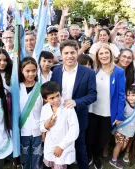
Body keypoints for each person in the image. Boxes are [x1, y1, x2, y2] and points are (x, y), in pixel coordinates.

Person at [51, 40, 97, 169]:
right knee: (61, 145)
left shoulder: (88, 72)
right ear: (61, 55)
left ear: (78, 52)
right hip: (59, 116)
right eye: (66, 53)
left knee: (80, 146)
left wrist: (76, 102)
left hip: (78, 115)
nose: (69, 56)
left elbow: (93, 95)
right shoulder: (55, 71)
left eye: (72, 52)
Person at [86, 44, 125, 169]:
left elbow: (121, 95)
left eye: (106, 53)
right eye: (101, 54)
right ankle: (88, 155)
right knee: (90, 135)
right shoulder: (94, 69)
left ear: (111, 54)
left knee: (102, 138)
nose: (104, 56)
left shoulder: (118, 72)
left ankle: (96, 156)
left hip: (108, 112)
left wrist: (119, 115)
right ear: (97, 56)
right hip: (92, 110)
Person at [40, 81, 79, 169]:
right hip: (50, 145)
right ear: (45, 99)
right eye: (52, 98)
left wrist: (61, 146)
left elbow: (74, 129)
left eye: (58, 95)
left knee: (60, 165)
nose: (56, 99)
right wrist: (47, 125)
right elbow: (41, 127)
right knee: (51, 165)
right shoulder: (44, 108)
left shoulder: (68, 107)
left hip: (63, 146)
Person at [19, 57, 43, 169]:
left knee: (37, 155)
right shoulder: (17, 88)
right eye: (27, 71)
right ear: (21, 71)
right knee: (24, 155)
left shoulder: (41, 87)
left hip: (38, 128)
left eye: (33, 70)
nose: (31, 74)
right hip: (23, 129)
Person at [110, 85, 135, 169]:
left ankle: (115, 155)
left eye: (133, 95)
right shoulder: (123, 104)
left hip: (130, 131)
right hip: (120, 129)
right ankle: (113, 160)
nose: (130, 97)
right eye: (128, 95)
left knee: (123, 146)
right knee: (119, 145)